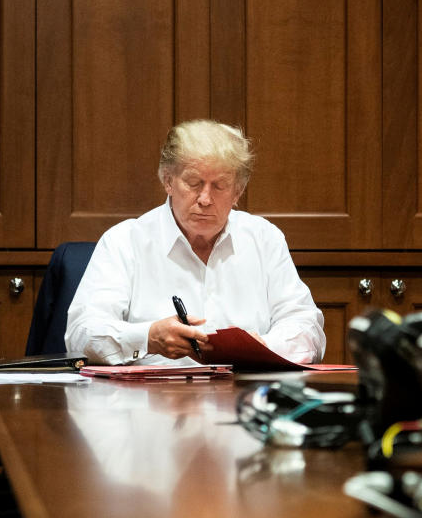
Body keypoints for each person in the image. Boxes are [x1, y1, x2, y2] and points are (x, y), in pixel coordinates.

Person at [65, 119, 326, 365]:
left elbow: (307, 327)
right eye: (193, 183)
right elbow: (81, 334)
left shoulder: (264, 239)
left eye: (220, 186)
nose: (204, 198)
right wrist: (148, 337)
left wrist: (263, 346)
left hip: (242, 398)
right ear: (168, 181)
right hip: (150, 404)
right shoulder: (125, 241)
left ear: (238, 191)